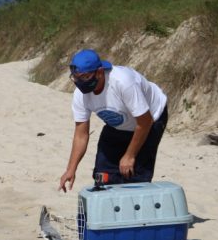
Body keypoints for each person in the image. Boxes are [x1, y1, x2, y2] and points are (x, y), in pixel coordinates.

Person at [59, 49, 168, 192]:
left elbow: (145, 122)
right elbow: (81, 135)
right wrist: (71, 169)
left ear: (99, 72)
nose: (79, 82)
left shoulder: (123, 82)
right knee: (103, 176)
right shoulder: (80, 95)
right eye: (75, 78)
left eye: (84, 77)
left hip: (151, 119)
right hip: (118, 125)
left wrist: (129, 155)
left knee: (134, 177)